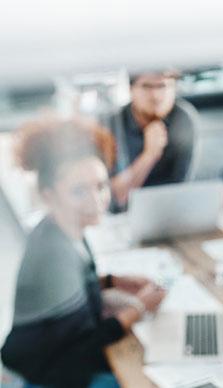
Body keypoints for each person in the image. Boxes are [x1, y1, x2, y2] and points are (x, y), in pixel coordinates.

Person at [1, 118, 166, 388]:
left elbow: (77, 288)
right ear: (48, 195)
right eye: (79, 191)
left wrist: (113, 281)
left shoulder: (61, 228)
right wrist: (139, 308)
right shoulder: (54, 252)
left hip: (52, 358)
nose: (96, 200)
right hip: (44, 375)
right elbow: (83, 350)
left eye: (100, 186)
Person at [104, 70, 198, 210]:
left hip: (167, 211)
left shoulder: (183, 119)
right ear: (131, 89)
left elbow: (180, 189)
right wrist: (150, 155)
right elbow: (113, 198)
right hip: (123, 216)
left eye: (163, 86)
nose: (155, 96)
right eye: (146, 87)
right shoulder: (113, 125)